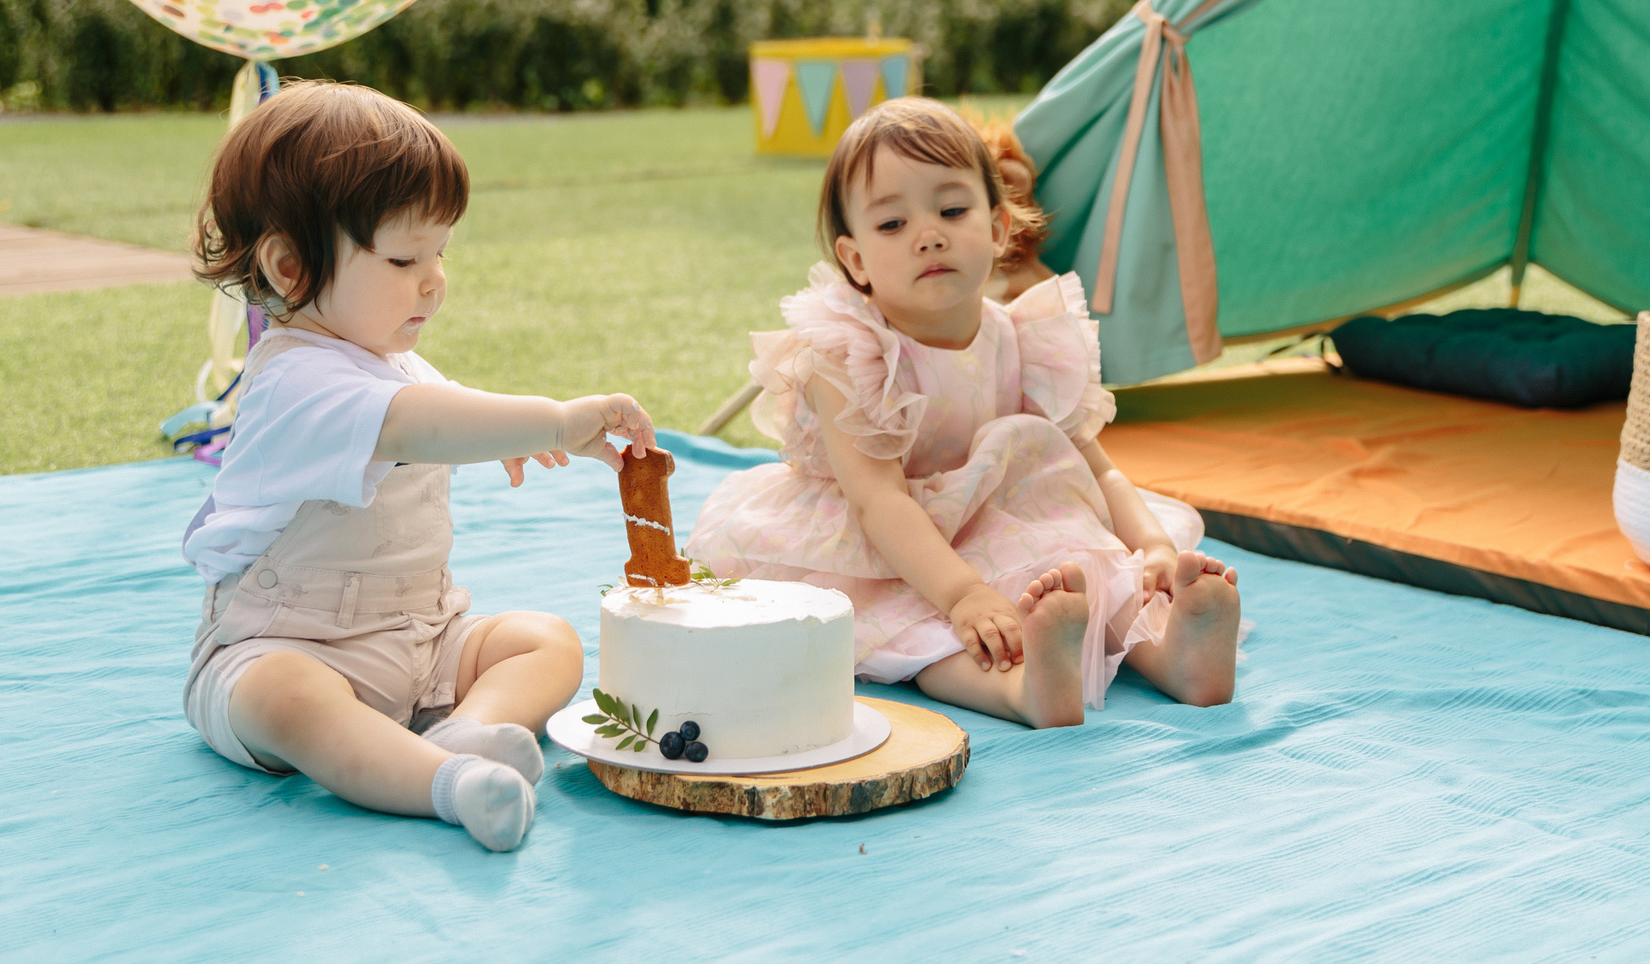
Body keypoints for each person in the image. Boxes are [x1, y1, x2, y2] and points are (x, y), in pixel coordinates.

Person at [179, 82, 656, 851]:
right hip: (287, 645)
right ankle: (449, 784)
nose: (434, 278)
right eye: (405, 256)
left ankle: (465, 730)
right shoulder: (292, 380)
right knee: (289, 698)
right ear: (290, 266)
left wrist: (543, 440)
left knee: (547, 640)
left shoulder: (394, 362)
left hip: (420, 640)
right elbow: (418, 426)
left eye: (440, 252)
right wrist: (556, 416)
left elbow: (451, 409)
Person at [689, 97, 1241, 728]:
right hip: (886, 541)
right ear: (857, 261)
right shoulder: (848, 355)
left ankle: (1177, 657)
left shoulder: (1027, 341)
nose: (929, 234)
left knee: (1087, 557)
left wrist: (1150, 547)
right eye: (892, 225)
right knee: (909, 624)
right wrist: (964, 595)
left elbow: (1096, 468)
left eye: (952, 210)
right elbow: (879, 502)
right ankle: (1024, 688)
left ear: (1000, 229)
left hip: (993, 519)